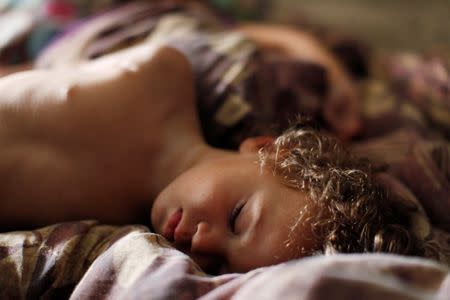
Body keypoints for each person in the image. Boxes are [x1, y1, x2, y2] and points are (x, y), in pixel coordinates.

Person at [0, 1, 444, 274]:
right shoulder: (163, 75)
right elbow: (236, 37)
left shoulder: (112, 234)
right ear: (265, 149)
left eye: (222, 266)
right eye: (236, 217)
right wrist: (328, 69)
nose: (204, 245)